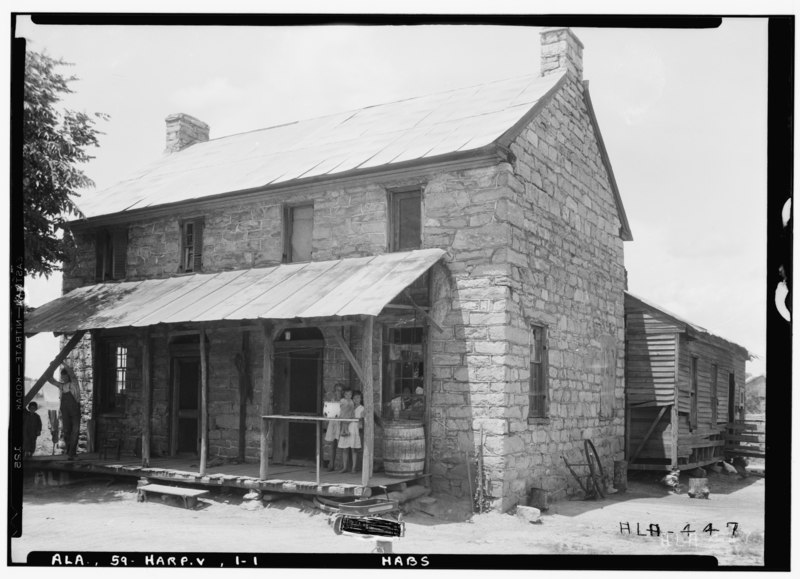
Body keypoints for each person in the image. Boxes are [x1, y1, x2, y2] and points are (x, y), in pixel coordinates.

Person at [48, 365, 81, 460]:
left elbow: (71, 372)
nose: (63, 378)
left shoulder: (74, 383)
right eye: (62, 377)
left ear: (68, 376)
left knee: (75, 431)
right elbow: (51, 380)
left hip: (75, 411)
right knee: (67, 431)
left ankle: (71, 453)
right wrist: (52, 368)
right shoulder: (61, 386)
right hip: (65, 412)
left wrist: (62, 362)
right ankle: (70, 451)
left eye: (65, 377)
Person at [324, 383, 344, 471]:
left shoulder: (344, 401)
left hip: (340, 423)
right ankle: (331, 463)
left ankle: (342, 464)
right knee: (333, 444)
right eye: (336, 390)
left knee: (342, 444)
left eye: (340, 390)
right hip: (333, 423)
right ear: (334, 391)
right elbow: (328, 411)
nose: (338, 392)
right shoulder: (332, 400)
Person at [337, 386, 356, 473]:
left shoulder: (351, 401)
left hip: (350, 418)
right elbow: (340, 408)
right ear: (344, 395)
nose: (348, 396)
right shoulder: (343, 400)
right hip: (344, 416)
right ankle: (343, 431)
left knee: (352, 447)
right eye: (347, 394)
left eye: (350, 394)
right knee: (344, 423)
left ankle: (353, 467)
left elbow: (352, 410)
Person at [350, 391, 364, 473]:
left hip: (358, 429)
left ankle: (359, 466)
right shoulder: (351, 407)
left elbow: (362, 420)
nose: (356, 399)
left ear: (361, 399)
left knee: (358, 448)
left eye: (358, 397)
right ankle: (353, 466)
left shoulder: (362, 408)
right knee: (352, 448)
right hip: (350, 428)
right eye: (354, 398)